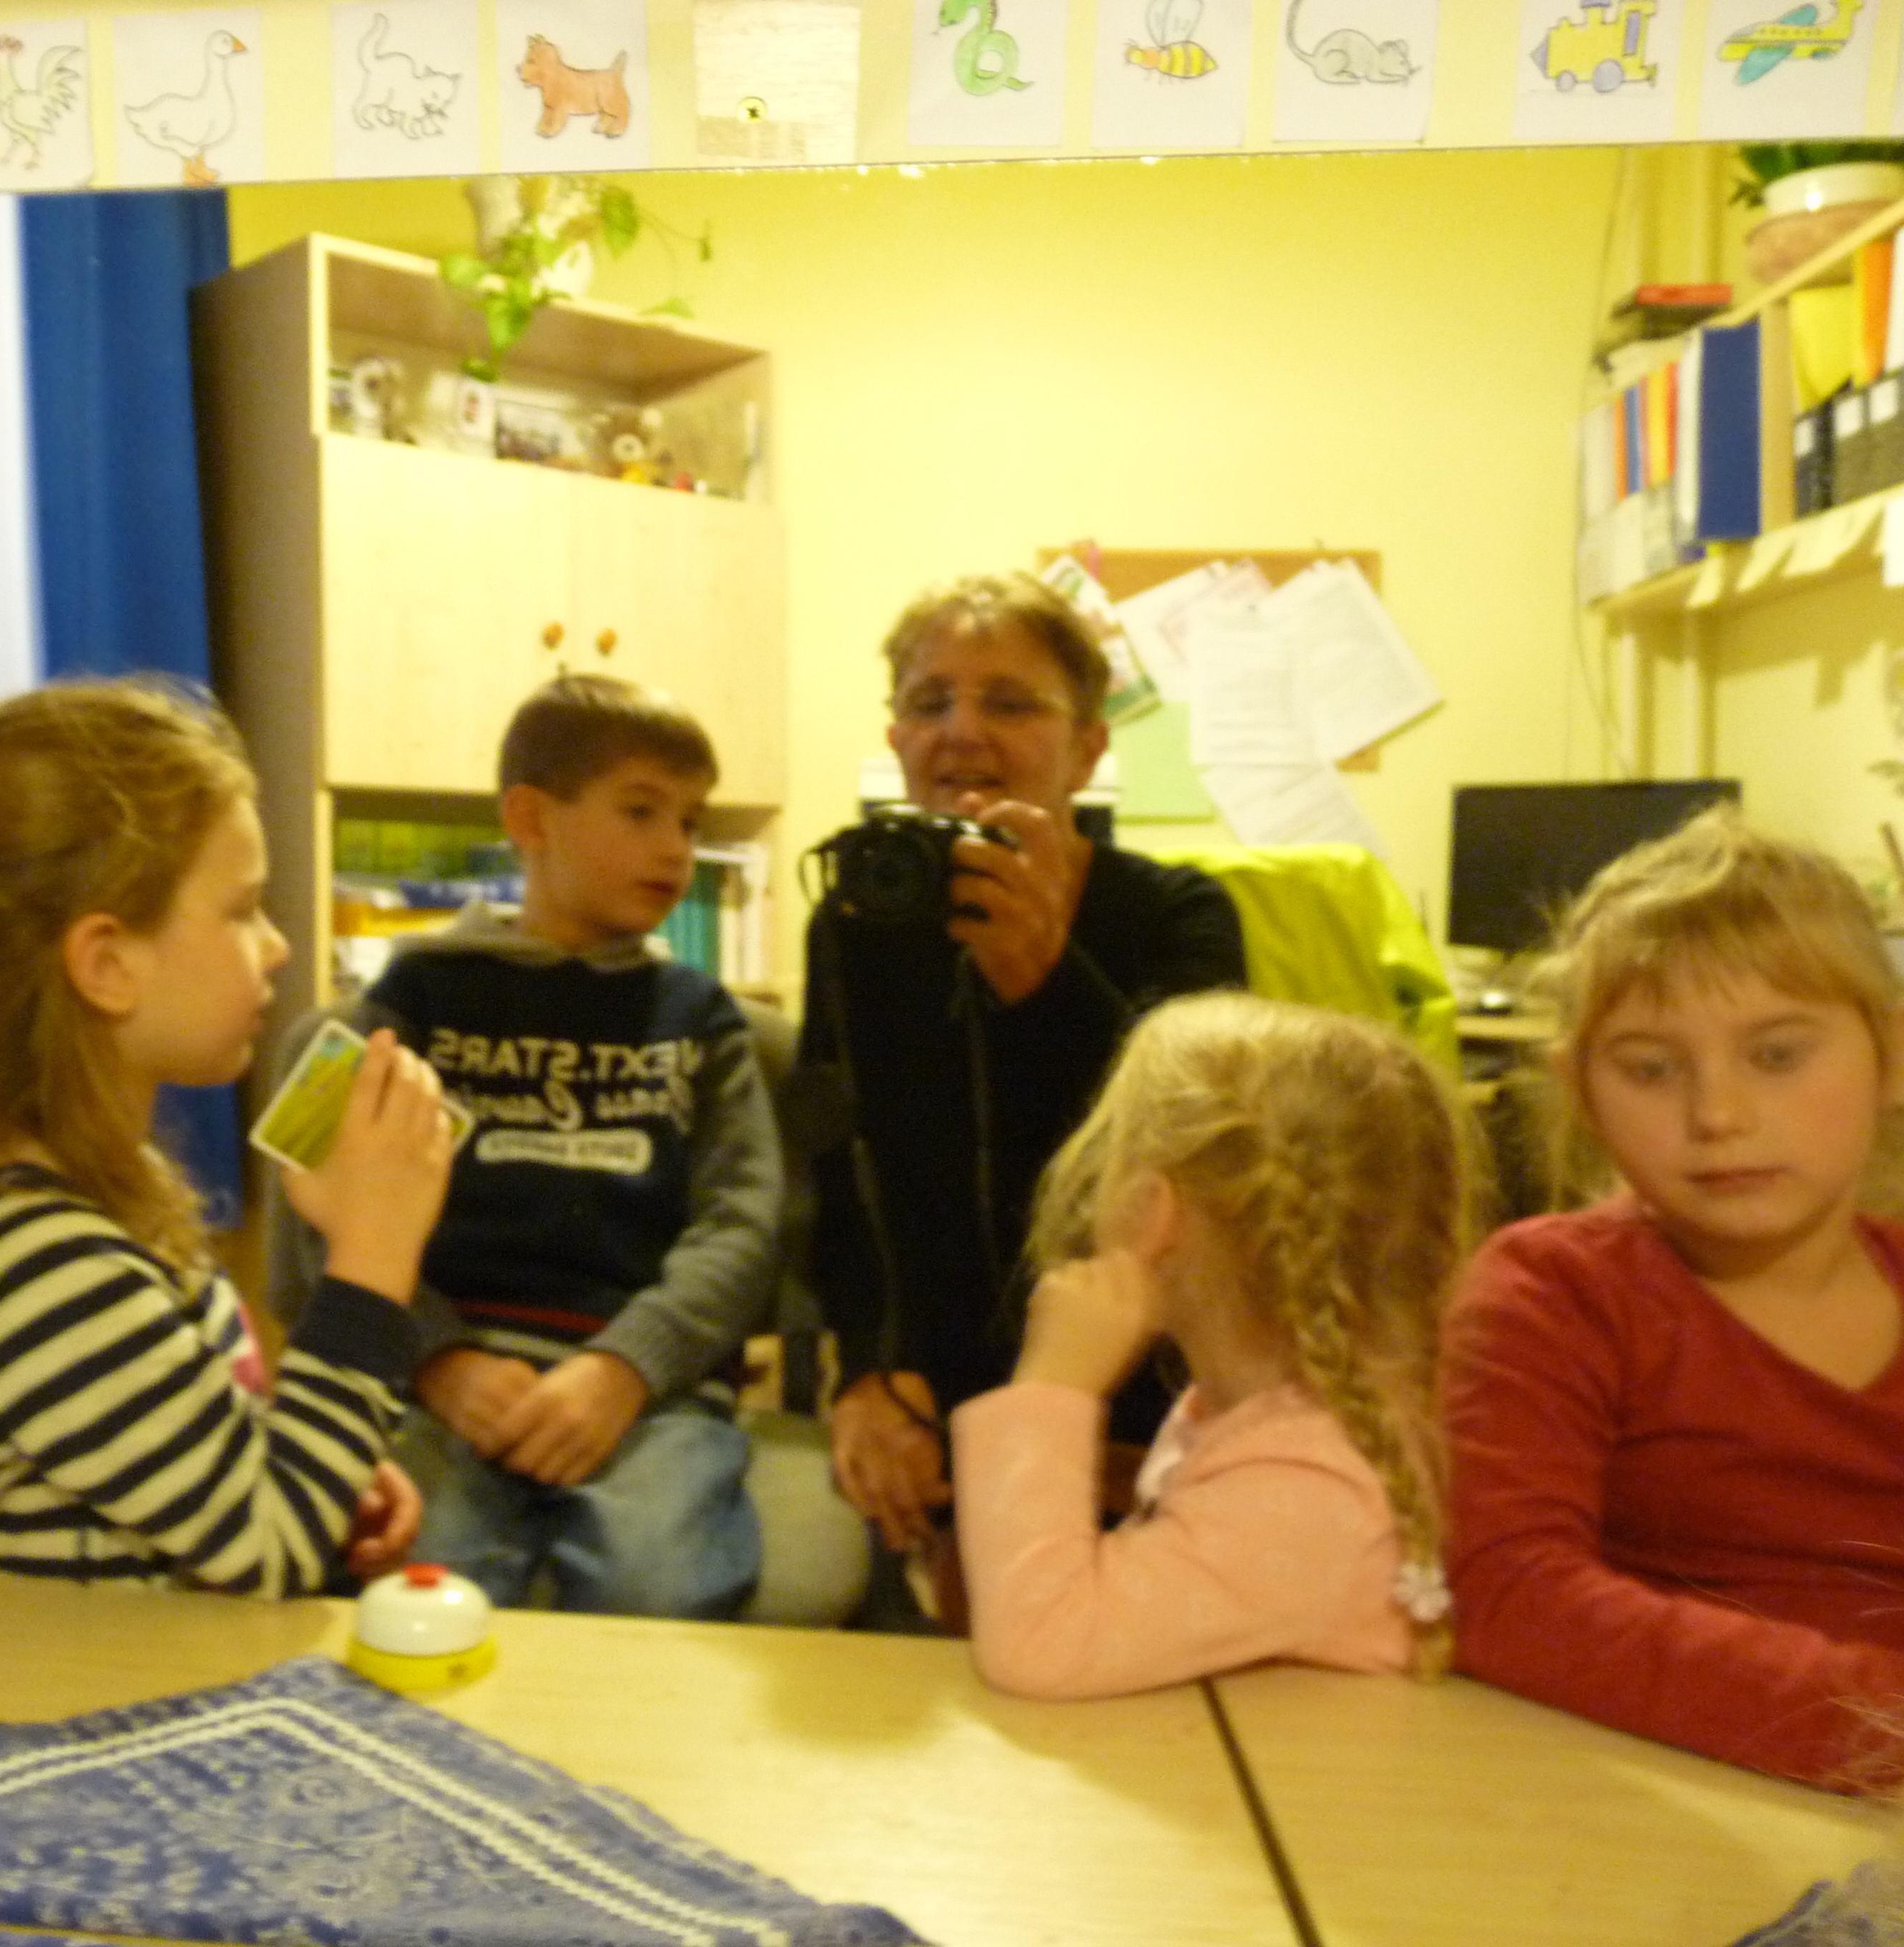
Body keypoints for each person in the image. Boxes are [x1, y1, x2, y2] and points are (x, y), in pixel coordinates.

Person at [0, 678, 454, 1598]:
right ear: (108, 963)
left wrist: (319, 1467)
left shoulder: (104, 1191)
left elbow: (208, 1461)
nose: (278, 946)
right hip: (79, 1691)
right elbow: (270, 1547)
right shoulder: (43, 1260)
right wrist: (372, 1259)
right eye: (242, 909)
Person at [268, 672, 781, 1617]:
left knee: (657, 1583)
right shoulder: (398, 1000)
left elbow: (744, 1226)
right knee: (417, 1579)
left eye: (690, 821)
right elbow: (314, 1220)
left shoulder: (705, 1020)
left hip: (645, 1391)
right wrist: (437, 1358)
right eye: (641, 811)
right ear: (531, 819)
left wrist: (626, 1369)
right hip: (439, 1384)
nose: (676, 848)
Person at [799, 572, 1246, 1595]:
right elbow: (845, 1178)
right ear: (897, 739)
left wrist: (1046, 979)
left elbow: (1192, 1171)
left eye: (1009, 702)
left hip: (1140, 1372)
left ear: (1088, 748)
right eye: (930, 703)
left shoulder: (1180, 915)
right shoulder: (857, 918)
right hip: (927, 1371)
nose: (961, 731)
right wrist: (867, 1374)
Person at [1444, 809, 1904, 1790]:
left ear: (1893, 1059)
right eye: (1651, 1070)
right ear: (1580, 1090)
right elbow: (1509, 1595)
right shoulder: (1556, 1292)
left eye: (1777, 1055)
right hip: (1679, 1797)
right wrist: (1878, 1720)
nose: (1718, 1115)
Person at [951, 992, 1466, 1697]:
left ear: (1152, 1209)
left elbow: (1042, 1644)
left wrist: (1052, 1385)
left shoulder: (1312, 1478)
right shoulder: (1278, 1418)